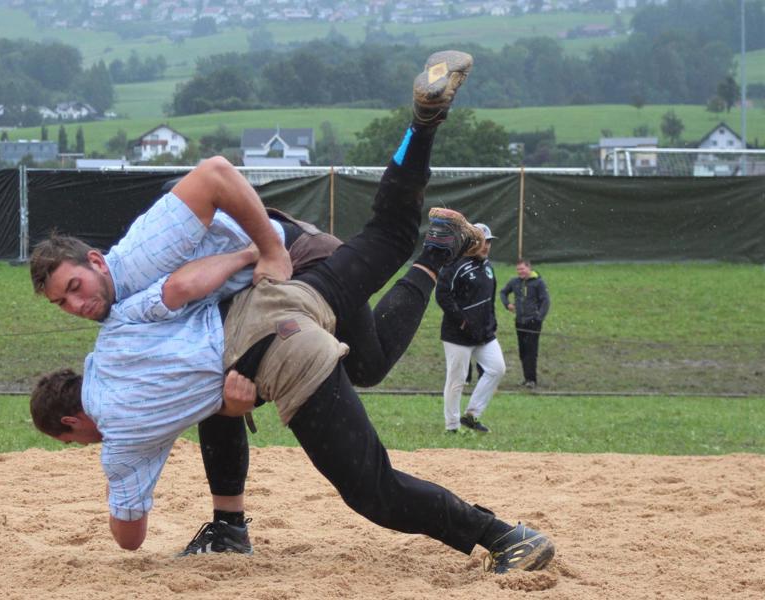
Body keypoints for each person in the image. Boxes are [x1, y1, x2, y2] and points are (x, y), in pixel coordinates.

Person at [29, 51, 556, 574]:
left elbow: (213, 177)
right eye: (62, 303)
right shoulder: (116, 329)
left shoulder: (139, 269)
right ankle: (422, 130)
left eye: (74, 287)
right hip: (269, 305)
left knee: (372, 484)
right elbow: (181, 293)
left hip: (288, 269)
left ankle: (505, 537)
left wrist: (263, 252)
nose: (77, 306)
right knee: (388, 250)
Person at [436, 223, 505, 433]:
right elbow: (442, 295)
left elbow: (490, 299)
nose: (487, 246)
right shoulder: (454, 265)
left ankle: (472, 415)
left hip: (484, 334)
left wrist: (491, 322)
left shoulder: (488, 267)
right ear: (471, 243)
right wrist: (463, 321)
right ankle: (452, 426)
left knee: (497, 368)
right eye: (483, 242)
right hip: (457, 335)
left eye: (489, 242)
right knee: (457, 381)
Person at [500, 259, 551, 389]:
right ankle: (526, 377)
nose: (520, 272)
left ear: (529, 268)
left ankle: (531, 379)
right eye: (518, 270)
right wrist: (507, 304)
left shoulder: (538, 283)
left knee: (531, 351)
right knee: (522, 351)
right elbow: (503, 292)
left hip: (533, 323)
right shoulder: (515, 282)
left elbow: (545, 301)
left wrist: (539, 318)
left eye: (522, 269)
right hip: (519, 322)